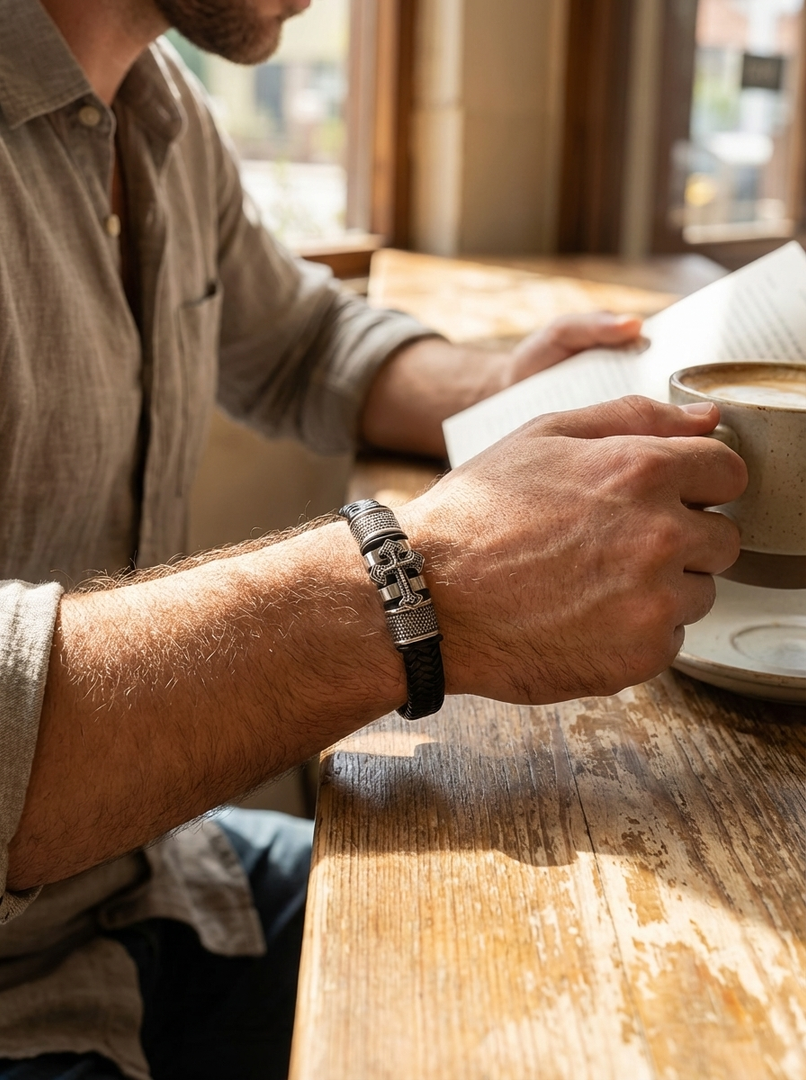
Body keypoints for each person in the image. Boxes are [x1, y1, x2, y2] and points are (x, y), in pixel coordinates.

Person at [0, 0, 746, 1077]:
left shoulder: (159, 107)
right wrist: (425, 583)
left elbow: (303, 339)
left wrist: (494, 385)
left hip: (149, 879)